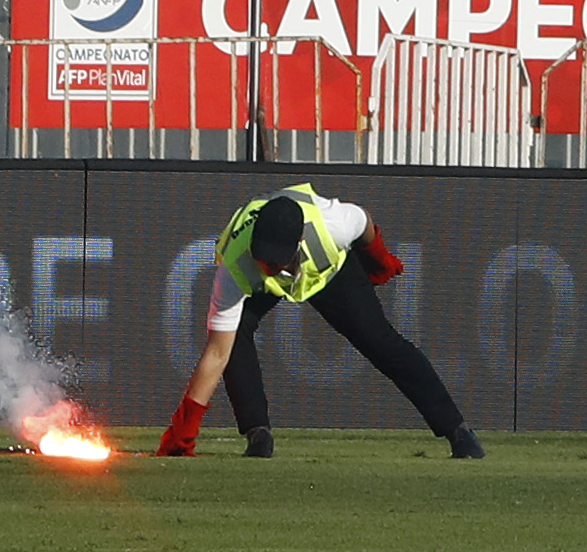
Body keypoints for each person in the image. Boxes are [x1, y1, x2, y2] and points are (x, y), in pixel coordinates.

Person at [157, 184, 484, 460]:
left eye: (275, 259)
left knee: (380, 342)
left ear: (297, 243)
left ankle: (458, 431)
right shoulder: (237, 264)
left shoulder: (334, 225)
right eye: (262, 256)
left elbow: (365, 222)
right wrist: (184, 431)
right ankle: (259, 436)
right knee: (236, 334)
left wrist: (378, 259)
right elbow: (217, 352)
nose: (267, 265)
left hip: (328, 272)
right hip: (263, 287)